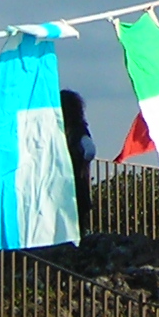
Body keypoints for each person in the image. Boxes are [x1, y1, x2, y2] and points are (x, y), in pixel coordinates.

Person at [59, 84, 95, 236]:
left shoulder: (59, 131)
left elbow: (89, 150)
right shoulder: (79, 129)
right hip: (75, 187)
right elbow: (90, 150)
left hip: (62, 187)